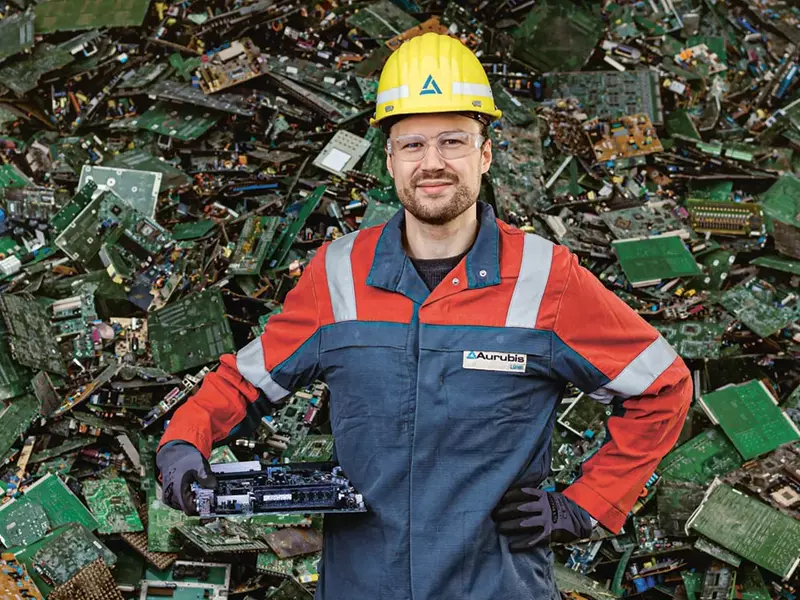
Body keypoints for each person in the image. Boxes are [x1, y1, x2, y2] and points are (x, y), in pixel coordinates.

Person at [157, 32, 693, 599]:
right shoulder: (338, 273)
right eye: (412, 145)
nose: (432, 163)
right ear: (388, 160)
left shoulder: (546, 279)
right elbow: (243, 383)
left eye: (453, 141)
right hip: (363, 586)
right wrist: (184, 441)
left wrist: (585, 505)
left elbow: (663, 387)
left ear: (485, 155)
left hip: (497, 586)